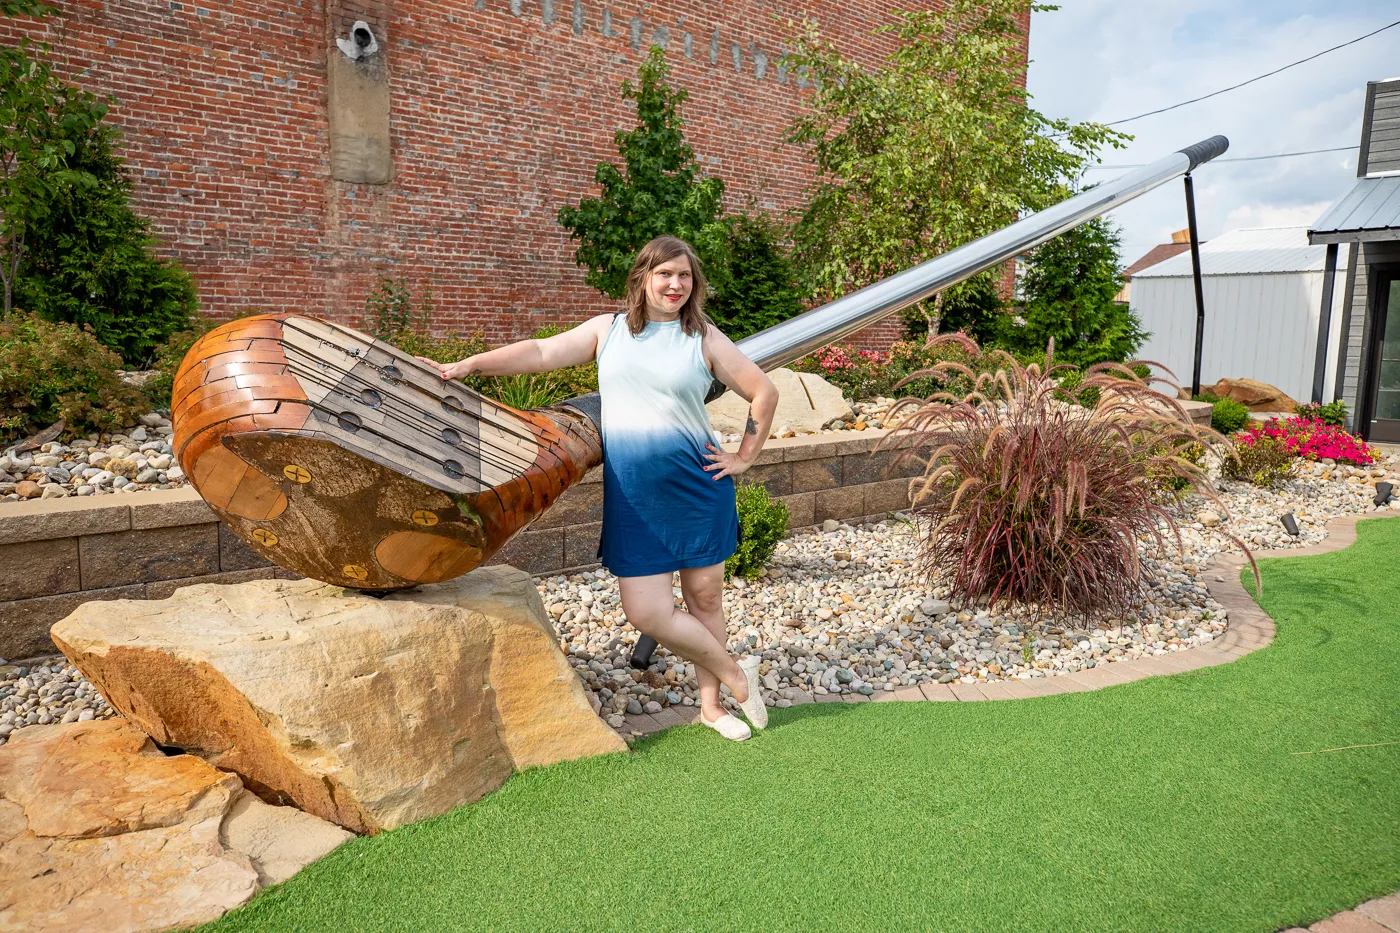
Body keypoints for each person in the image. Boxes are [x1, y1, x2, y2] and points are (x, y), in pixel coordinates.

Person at [420, 236, 780, 741]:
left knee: (704, 598)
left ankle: (712, 706)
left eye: (684, 276)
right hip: (636, 497)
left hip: (699, 489)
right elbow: (542, 351)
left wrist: (744, 457)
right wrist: (475, 363)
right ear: (642, 278)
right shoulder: (607, 331)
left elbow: (763, 391)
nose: (675, 284)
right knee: (647, 610)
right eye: (664, 274)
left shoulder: (702, 337)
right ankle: (738, 672)